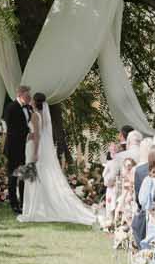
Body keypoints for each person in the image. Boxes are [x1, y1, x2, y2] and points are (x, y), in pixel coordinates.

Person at [17, 91, 99, 225]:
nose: (30, 101)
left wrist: (35, 152)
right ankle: (37, 206)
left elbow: (37, 135)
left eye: (31, 100)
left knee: (34, 176)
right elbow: (37, 134)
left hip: (35, 148)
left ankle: (34, 208)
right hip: (36, 146)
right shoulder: (41, 115)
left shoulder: (34, 116)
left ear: (34, 102)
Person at [1, 85, 34, 215]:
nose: (29, 97)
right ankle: (14, 204)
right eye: (27, 95)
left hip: (26, 148)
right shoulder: (11, 108)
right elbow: (12, 130)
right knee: (13, 177)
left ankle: (23, 202)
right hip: (14, 148)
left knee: (24, 176)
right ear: (20, 94)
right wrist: (28, 133)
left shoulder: (29, 108)